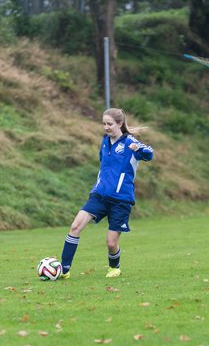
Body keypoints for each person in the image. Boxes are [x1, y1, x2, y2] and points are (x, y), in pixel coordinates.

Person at [60, 108, 153, 279]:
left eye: (109, 124)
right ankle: (64, 270)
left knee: (111, 243)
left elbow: (149, 154)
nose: (106, 127)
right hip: (99, 196)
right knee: (75, 226)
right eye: (104, 124)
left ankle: (114, 267)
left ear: (120, 124)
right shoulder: (104, 142)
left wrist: (138, 149)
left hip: (120, 200)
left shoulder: (130, 142)